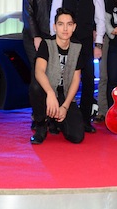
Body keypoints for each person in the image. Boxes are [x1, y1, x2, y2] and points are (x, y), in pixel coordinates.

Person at [50, 0, 105, 133]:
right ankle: (58, 119)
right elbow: (54, 15)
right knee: (61, 80)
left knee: (88, 80)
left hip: (86, 41)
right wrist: (54, 41)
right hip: (65, 41)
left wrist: (98, 44)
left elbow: (100, 19)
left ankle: (85, 120)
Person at [30, 8, 85, 145]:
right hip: (48, 92)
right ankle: (41, 125)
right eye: (61, 24)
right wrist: (50, 93)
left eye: (69, 24)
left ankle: (55, 120)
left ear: (74, 27)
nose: (65, 28)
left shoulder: (77, 47)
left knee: (77, 137)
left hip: (64, 95)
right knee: (36, 87)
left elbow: (75, 80)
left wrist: (65, 107)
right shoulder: (46, 44)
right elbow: (39, 71)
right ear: (55, 27)